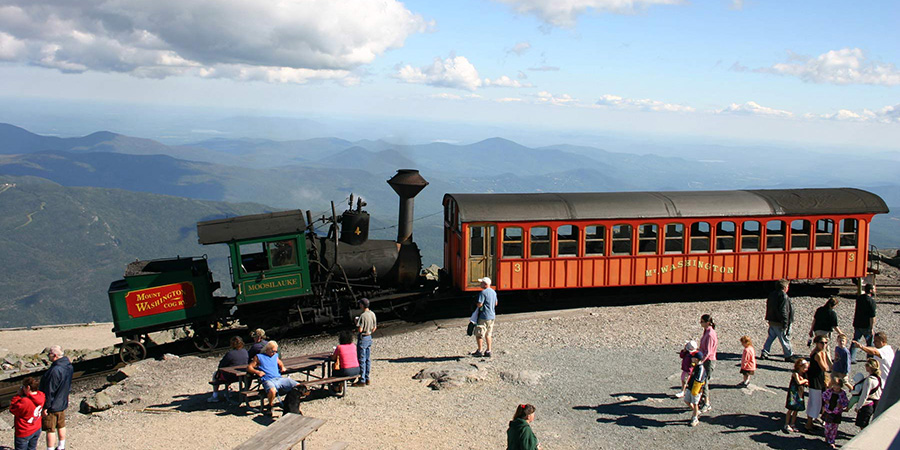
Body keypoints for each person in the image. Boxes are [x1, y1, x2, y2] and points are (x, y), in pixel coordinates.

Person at [247, 340, 297, 416]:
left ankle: (289, 403)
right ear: (268, 349)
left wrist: (282, 367)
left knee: (297, 386)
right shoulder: (259, 357)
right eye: (273, 351)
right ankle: (270, 406)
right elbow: (249, 367)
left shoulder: (275, 356)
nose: (274, 353)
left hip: (279, 378)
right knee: (272, 390)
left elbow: (280, 362)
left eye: (276, 351)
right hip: (268, 379)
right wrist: (257, 372)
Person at [39, 345, 73, 450]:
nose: (48, 356)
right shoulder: (68, 366)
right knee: (61, 425)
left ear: (54, 355)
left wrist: (45, 406)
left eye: (49, 354)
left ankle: (50, 448)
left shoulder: (55, 370)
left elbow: (50, 390)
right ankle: (61, 446)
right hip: (62, 401)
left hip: (53, 404)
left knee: (50, 429)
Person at [208, 336, 249, 402]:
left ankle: (215, 396)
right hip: (243, 375)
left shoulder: (230, 354)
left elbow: (221, 366)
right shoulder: (245, 352)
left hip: (231, 377)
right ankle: (228, 391)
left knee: (216, 374)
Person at [762, 279, 794, 362]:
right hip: (779, 322)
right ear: (784, 287)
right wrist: (785, 323)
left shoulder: (772, 294)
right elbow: (783, 310)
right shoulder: (783, 296)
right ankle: (788, 355)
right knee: (784, 339)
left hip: (772, 320)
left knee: (771, 337)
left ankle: (765, 352)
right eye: (787, 286)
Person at [805, 334, 832, 433]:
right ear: (817, 343)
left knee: (816, 401)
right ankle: (808, 424)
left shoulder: (818, 352)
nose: (824, 345)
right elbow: (825, 367)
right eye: (822, 343)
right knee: (815, 402)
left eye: (826, 343)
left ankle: (811, 422)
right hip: (815, 380)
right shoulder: (818, 354)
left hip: (818, 379)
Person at [10, 377, 45, 450]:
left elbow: (12, 409)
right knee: (32, 448)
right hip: (36, 427)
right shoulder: (41, 395)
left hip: (24, 431)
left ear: (28, 387)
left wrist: (18, 395)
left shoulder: (25, 402)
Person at [850, 284, 877, 363]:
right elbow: (872, 316)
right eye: (874, 289)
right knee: (870, 343)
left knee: (855, 340)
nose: (875, 290)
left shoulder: (859, 298)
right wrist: (871, 328)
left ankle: (852, 357)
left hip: (857, 323)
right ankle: (870, 358)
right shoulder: (871, 301)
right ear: (871, 290)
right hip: (866, 326)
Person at [472, 277, 498, 358]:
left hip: (484, 316)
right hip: (492, 316)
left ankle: (479, 350)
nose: (480, 284)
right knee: (488, 334)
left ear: (485, 284)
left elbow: (480, 304)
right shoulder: (493, 292)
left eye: (482, 282)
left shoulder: (483, 293)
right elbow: (496, 303)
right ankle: (488, 350)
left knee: (479, 334)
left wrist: (476, 305)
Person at [353, 298, 376, 387]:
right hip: (369, 337)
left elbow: (360, 329)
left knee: (361, 359)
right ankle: (367, 378)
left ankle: (362, 380)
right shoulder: (372, 314)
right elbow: (374, 328)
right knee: (367, 359)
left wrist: (356, 322)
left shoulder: (363, 316)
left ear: (362, 305)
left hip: (363, 338)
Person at [853, 358, 882, 429]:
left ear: (869, 367)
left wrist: (858, 406)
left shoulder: (869, 380)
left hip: (867, 404)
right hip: (875, 403)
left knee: (863, 425)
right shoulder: (878, 378)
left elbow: (864, 394)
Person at [821, 376, 849, 449]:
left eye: (838, 387)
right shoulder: (829, 391)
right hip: (829, 411)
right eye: (835, 387)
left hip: (837, 413)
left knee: (834, 427)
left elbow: (846, 402)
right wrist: (826, 401)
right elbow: (823, 395)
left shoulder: (842, 393)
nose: (836, 389)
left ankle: (832, 440)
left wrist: (841, 405)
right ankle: (827, 437)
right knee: (828, 427)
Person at [698, 314, 717, 413]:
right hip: (706, 359)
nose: (700, 323)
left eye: (702, 321)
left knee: (704, 381)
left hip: (708, 361)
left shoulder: (710, 334)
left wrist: (701, 361)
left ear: (707, 323)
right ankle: (703, 400)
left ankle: (707, 403)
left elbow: (708, 351)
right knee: (702, 380)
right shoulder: (707, 331)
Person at [784, 358, 809, 433]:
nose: (805, 369)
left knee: (796, 410)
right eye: (804, 368)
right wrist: (805, 380)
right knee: (791, 409)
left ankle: (792, 423)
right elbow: (798, 382)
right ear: (799, 367)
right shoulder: (795, 373)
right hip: (794, 393)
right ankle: (786, 423)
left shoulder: (804, 374)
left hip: (800, 393)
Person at [683, 351, 707, 427]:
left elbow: (699, 380)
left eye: (692, 358)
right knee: (686, 401)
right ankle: (695, 411)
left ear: (696, 359)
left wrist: (695, 391)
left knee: (695, 403)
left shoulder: (701, 368)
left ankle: (695, 418)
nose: (691, 359)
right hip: (691, 387)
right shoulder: (696, 366)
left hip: (696, 389)